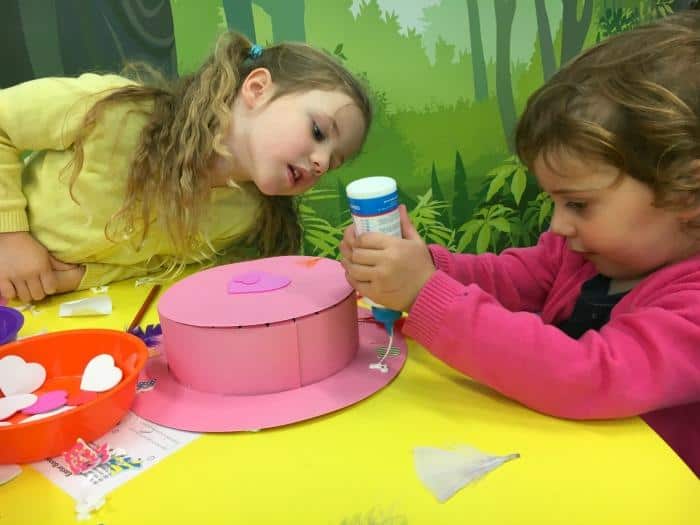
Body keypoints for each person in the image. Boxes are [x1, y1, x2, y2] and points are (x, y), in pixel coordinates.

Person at [340, 11, 700, 475]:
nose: (558, 225)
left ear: (686, 194)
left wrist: (427, 295)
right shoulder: (582, 252)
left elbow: (590, 374)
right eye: (554, 201)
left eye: (578, 204)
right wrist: (421, 266)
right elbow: (508, 276)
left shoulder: (691, 308)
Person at [0, 32, 370, 303]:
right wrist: (10, 237)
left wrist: (82, 276)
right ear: (257, 89)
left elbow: (154, 263)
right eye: (319, 131)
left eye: (333, 161)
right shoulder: (112, 112)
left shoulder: (243, 214)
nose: (321, 162)